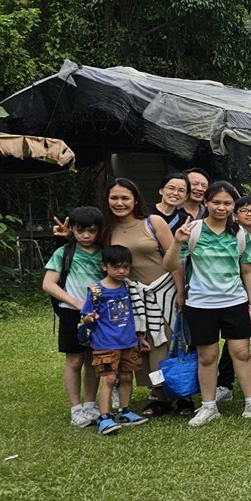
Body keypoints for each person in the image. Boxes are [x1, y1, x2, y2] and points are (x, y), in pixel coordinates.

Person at [163, 182, 251, 427]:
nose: (221, 207)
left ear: (233, 206)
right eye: (216, 202)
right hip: (201, 303)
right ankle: (208, 407)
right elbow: (170, 265)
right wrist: (177, 242)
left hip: (235, 302)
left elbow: (247, 270)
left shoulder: (238, 233)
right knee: (207, 357)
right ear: (206, 203)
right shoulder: (193, 230)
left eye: (227, 203)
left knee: (242, 353)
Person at [98, 177, 178, 418]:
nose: (119, 203)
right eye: (114, 198)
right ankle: (159, 395)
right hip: (133, 297)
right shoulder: (107, 230)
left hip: (165, 293)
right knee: (146, 346)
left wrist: (182, 293)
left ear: (135, 200)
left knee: (170, 343)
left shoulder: (153, 222)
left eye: (125, 198)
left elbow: (174, 258)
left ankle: (181, 394)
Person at [79, 245, 152, 434]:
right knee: (109, 379)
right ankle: (104, 417)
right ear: (105, 266)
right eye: (116, 267)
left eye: (125, 267)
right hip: (105, 343)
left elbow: (136, 313)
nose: (121, 271)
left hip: (128, 342)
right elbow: (85, 315)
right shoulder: (96, 290)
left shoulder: (129, 287)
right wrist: (89, 318)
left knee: (127, 377)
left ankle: (124, 411)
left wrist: (140, 337)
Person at [42, 205, 105, 426]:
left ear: (100, 231)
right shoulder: (63, 253)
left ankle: (90, 404)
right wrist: (76, 302)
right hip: (71, 313)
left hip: (98, 314)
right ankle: (76, 408)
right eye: (80, 231)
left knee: (93, 359)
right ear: (73, 230)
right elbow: (48, 284)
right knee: (74, 360)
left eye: (92, 231)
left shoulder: (105, 253)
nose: (86, 236)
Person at [215, 195, 251, 404]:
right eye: (244, 210)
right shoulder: (229, 238)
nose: (250, 214)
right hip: (236, 296)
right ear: (235, 216)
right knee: (234, 339)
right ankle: (224, 383)